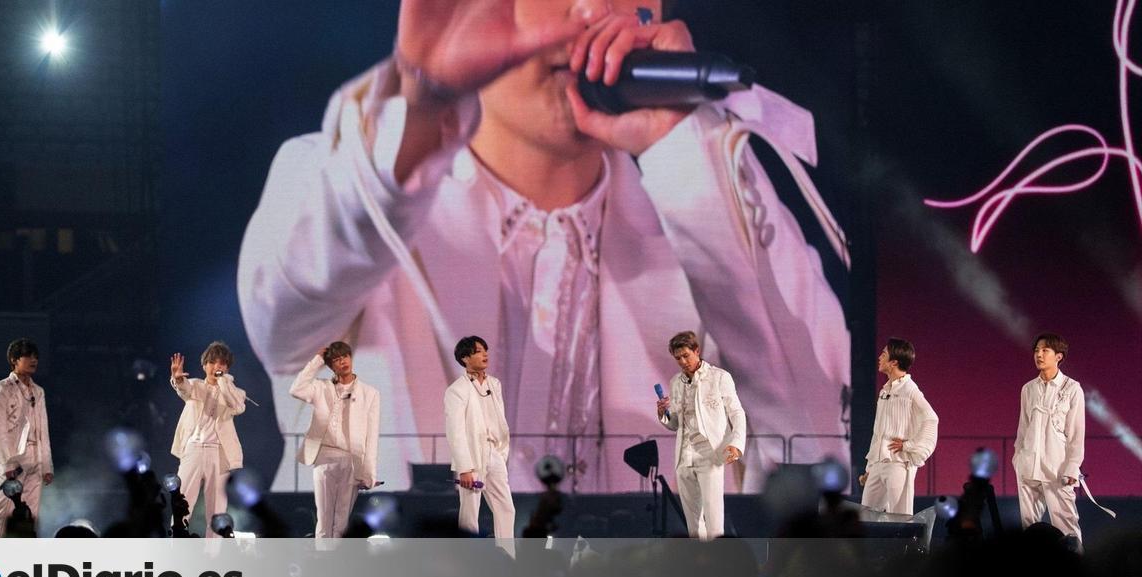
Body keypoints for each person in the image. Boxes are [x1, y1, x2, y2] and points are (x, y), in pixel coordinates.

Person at [239, 0, 851, 492]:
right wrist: (420, 111)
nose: (592, 12)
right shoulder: (341, 192)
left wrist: (687, 148)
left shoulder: (704, 222)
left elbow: (823, 460)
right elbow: (300, 282)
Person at [655, 331, 745, 539]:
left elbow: (737, 412)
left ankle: (718, 558)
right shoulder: (676, 382)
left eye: (686, 355)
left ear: (697, 351)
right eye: (678, 358)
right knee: (693, 523)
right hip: (684, 455)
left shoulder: (719, 377)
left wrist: (736, 443)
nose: (682, 362)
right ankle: (698, 557)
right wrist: (663, 414)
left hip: (710, 453)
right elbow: (676, 423)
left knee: (714, 519)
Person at [290, 341, 381, 537]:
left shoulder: (370, 393)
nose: (343, 362)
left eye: (345, 357)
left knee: (342, 519)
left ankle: (338, 554)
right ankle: (323, 554)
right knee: (324, 517)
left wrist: (369, 473)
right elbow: (296, 389)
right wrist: (317, 361)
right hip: (324, 456)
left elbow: (372, 436)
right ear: (331, 366)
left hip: (351, 458)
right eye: (337, 360)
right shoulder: (320, 387)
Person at [169, 341, 247, 537]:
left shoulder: (235, 392)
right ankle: (175, 545)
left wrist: (223, 382)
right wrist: (177, 379)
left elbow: (237, 406)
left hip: (219, 454)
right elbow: (184, 388)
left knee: (217, 509)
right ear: (204, 365)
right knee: (182, 502)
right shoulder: (196, 385)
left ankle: (212, 552)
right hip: (193, 449)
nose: (216, 367)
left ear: (227, 368)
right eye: (212, 362)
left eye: (222, 363)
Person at [1013, 333, 1085, 543]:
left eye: (1045, 350)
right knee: (1029, 528)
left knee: (1066, 527)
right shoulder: (1028, 389)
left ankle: (1076, 563)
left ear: (1058, 356)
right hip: (1028, 466)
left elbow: (1076, 434)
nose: (1039, 355)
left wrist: (1072, 467)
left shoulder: (1072, 388)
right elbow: (1023, 427)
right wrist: (1018, 458)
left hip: (1057, 468)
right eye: (1037, 350)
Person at [444, 336, 515, 539]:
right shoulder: (456, 390)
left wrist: (501, 454)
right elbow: (455, 432)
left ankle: (506, 554)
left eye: (485, 350)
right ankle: (468, 555)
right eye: (478, 351)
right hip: (472, 455)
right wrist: (464, 468)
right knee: (470, 513)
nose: (485, 354)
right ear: (465, 358)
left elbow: (500, 421)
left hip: (494, 452)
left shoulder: (494, 384)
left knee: (506, 508)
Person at [858, 338, 938, 515]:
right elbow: (878, 432)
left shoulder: (910, 390)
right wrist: (869, 467)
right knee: (867, 515)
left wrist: (910, 445)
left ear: (893, 362)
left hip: (899, 463)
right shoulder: (884, 391)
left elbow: (931, 419)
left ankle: (905, 537)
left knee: (900, 516)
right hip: (878, 463)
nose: (880, 357)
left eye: (884, 354)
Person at [0, 338, 53, 538]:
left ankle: (23, 551)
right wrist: (8, 462)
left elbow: (43, 429)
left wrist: (47, 466)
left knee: (30, 513)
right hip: (14, 457)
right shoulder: (0, 388)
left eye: (36, 357)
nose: (34, 360)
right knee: (2, 510)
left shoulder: (38, 392)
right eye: (28, 356)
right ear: (14, 360)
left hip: (35, 456)